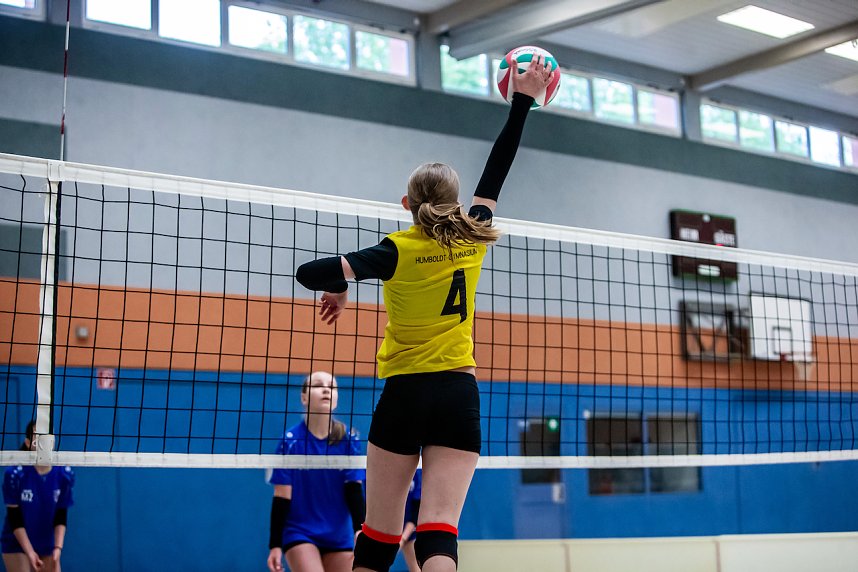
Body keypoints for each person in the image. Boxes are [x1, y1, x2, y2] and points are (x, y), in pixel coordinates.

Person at [295, 55, 553, 572]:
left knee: (379, 534)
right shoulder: (473, 233)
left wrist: (341, 286)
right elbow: (499, 164)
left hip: (405, 392)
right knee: (439, 531)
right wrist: (522, 101)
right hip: (460, 393)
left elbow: (308, 272)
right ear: (456, 205)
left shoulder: (394, 249)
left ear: (407, 203)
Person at [267, 371, 367, 572]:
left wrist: (359, 530)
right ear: (304, 398)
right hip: (300, 533)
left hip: (339, 535)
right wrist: (275, 545)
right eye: (318, 385)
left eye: (331, 386)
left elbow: (354, 490)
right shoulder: (290, 441)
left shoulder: (349, 440)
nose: (326, 390)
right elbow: (281, 497)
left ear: (337, 399)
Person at [2, 421, 74, 572]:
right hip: (17, 544)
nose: (44, 442)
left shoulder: (64, 473)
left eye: (47, 437)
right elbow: (15, 517)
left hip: (47, 543)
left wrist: (58, 548)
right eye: (38, 438)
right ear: (28, 443)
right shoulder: (15, 473)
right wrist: (29, 552)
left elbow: (61, 514)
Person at [399, 470, 421, 572]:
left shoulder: (417, 474)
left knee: (416, 568)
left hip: (410, 530)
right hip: (385, 528)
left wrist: (403, 539)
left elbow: (416, 512)